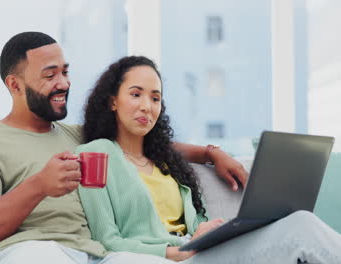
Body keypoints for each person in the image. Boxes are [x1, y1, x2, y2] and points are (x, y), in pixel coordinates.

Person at [0, 32, 248, 264]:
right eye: (50, 75)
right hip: (28, 251)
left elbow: (145, 142)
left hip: (94, 254)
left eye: (65, 72)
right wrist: (39, 186)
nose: (63, 83)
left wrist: (210, 153)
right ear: (14, 85)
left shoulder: (82, 138)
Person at [76, 55, 341, 264]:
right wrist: (170, 252)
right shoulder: (94, 155)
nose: (147, 106)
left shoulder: (165, 160)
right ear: (112, 101)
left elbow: (192, 225)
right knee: (300, 230)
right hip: (160, 258)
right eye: (136, 94)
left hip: (198, 252)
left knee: (298, 221)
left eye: (155, 98)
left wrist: (210, 230)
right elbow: (106, 240)